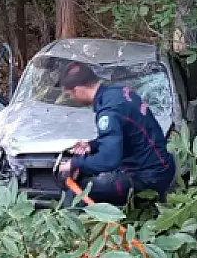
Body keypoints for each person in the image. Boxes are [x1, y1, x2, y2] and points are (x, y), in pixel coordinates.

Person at [56, 61, 177, 206]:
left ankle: (82, 226)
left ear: (78, 89)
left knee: (76, 191)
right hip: (161, 166)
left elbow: (109, 160)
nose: (73, 99)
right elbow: (125, 135)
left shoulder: (109, 112)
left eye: (70, 95)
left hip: (149, 178)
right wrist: (92, 145)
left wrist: (75, 163)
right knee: (89, 172)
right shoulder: (119, 92)